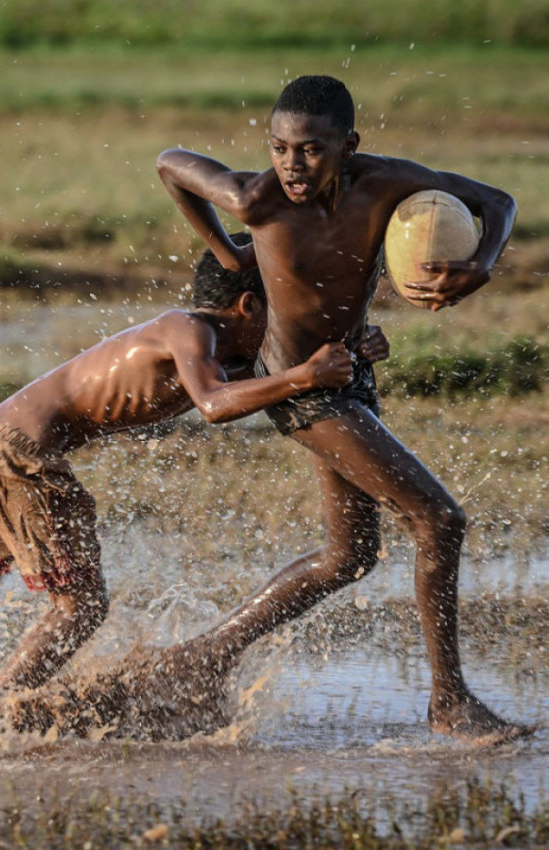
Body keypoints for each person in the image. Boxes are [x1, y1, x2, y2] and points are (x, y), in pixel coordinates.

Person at [0, 238, 387, 693]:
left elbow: (256, 384)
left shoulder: (221, 349)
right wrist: (305, 375)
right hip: (21, 456)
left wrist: (346, 353)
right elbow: (214, 405)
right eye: (286, 310)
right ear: (249, 304)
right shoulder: (186, 330)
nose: (289, 326)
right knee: (80, 608)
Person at [156, 74, 533, 744]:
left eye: (308, 150)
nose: (291, 165)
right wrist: (225, 251)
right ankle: (448, 702)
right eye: (278, 148)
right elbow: (170, 165)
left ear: (346, 146)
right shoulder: (254, 198)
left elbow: (496, 200)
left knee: (348, 556)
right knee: (438, 519)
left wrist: (481, 261)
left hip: (347, 374)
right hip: (300, 385)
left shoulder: (383, 183)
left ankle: (200, 658)